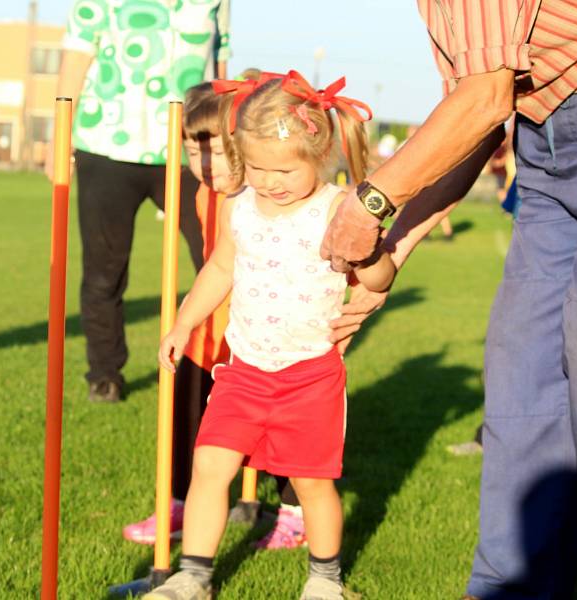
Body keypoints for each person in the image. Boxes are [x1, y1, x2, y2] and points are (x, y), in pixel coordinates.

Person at [321, 3, 577, 599]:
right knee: (519, 365)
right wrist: (392, 253)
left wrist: (369, 203)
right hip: (544, 152)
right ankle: (511, 586)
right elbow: (478, 122)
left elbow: (484, 101)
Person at [144, 70, 395, 600]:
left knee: (312, 483)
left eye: (283, 169)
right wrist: (185, 322)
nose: (268, 180)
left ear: (320, 155)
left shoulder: (335, 209)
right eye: (255, 166)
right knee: (210, 465)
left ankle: (325, 580)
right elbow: (219, 269)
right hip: (244, 370)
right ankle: (194, 576)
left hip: (309, 374)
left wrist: (368, 253)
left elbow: (379, 278)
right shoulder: (240, 208)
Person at [120, 78, 312, 549]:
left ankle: (295, 511)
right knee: (188, 411)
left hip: (269, 333)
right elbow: (216, 266)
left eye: (219, 153)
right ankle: (183, 501)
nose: (205, 165)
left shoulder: (264, 199)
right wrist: (187, 322)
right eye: (192, 152)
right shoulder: (206, 195)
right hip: (211, 329)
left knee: (284, 426)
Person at [50, 0, 231, 402]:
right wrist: (57, 141)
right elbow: (75, 64)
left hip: (191, 153)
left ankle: (220, 367)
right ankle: (105, 372)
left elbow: (221, 74)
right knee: (104, 271)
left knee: (219, 259)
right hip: (107, 146)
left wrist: (227, 143)